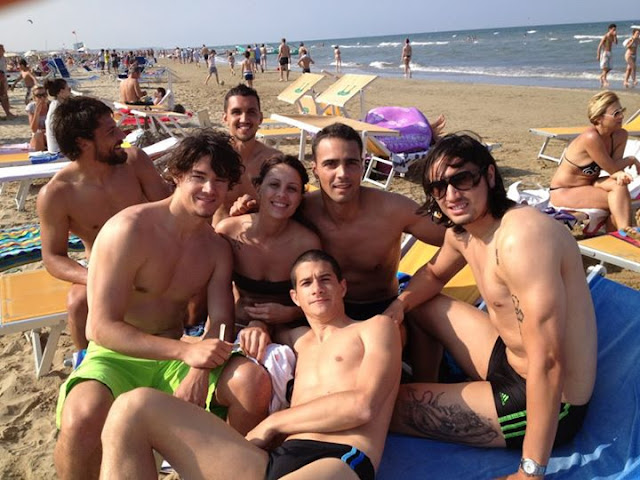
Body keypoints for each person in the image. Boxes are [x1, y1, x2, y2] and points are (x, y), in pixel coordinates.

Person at [54, 129, 272, 480]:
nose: (210, 189)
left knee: (252, 382)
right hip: (118, 354)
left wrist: (199, 369)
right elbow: (100, 328)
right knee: (81, 416)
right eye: (199, 177)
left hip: (177, 355)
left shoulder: (215, 248)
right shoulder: (129, 230)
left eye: (220, 181)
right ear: (176, 175)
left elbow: (220, 320)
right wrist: (186, 352)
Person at [384, 133, 597, 479]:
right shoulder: (464, 231)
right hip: (508, 358)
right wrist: (397, 307)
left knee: (382, 407)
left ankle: (438, 395)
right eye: (439, 187)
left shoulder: (522, 239)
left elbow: (548, 361)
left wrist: (530, 472)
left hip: (549, 398)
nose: (451, 195)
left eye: (462, 179)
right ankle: (432, 383)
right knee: (420, 304)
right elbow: (434, 275)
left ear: (490, 176)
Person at [100, 249, 402, 480]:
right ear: (295, 297)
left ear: (342, 287)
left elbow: (361, 406)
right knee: (132, 407)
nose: (317, 288)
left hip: (338, 457)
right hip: (274, 459)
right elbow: (239, 332)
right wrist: (259, 325)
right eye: (307, 283)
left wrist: (272, 423)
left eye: (325, 279)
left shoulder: (375, 328)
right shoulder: (296, 339)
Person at [233, 123, 445, 320]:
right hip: (320, 311)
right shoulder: (300, 207)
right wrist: (243, 211)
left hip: (383, 307)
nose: (342, 174)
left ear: (362, 166)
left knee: (433, 313)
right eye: (331, 164)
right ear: (315, 169)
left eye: (351, 163)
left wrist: (410, 295)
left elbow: (454, 238)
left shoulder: (393, 209)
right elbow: (260, 228)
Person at [36, 96, 171, 352]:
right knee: (77, 302)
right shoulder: (57, 194)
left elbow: (171, 210)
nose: (122, 135)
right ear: (83, 142)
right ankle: (85, 362)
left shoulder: (135, 162)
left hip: (152, 256)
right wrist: (94, 278)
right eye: (111, 132)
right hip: (101, 265)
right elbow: (53, 257)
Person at [216, 155, 322, 345]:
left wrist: (291, 313)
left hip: (287, 328)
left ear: (300, 197)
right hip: (236, 321)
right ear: (258, 187)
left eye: (291, 189)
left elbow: (321, 296)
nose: (282, 194)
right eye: (274, 185)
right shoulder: (229, 231)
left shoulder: (306, 243)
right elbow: (214, 291)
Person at [549, 91, 640, 233]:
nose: (621, 116)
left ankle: (618, 234)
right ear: (599, 118)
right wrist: (629, 160)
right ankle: (623, 232)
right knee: (618, 200)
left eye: (621, 111)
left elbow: (614, 168)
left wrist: (632, 160)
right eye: (616, 113)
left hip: (590, 184)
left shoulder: (620, 135)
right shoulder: (591, 138)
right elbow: (613, 170)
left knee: (619, 188)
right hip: (565, 191)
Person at [213, 84, 281, 226]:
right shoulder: (212, 158)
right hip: (214, 236)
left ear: (260, 118)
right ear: (225, 118)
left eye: (251, 112)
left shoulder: (275, 161)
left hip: (258, 237)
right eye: (236, 112)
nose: (244, 119)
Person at [43, 78, 71, 153]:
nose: (70, 91)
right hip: (58, 150)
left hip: (56, 147)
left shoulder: (56, 104)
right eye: (68, 89)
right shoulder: (58, 107)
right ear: (61, 92)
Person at [25, 85, 48, 151]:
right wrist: (37, 112)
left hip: (48, 133)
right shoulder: (31, 107)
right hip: (38, 135)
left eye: (44, 95)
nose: (42, 98)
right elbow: (34, 129)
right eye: (39, 95)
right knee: (39, 134)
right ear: (34, 97)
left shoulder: (51, 105)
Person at [597, 24, 618, 88]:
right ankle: (604, 80)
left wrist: (615, 36)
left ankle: (601, 77)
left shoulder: (612, 36)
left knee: (610, 68)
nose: (614, 31)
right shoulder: (606, 36)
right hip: (605, 53)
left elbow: (616, 43)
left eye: (615, 30)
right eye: (613, 30)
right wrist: (598, 55)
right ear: (609, 29)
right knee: (605, 68)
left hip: (610, 53)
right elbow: (599, 46)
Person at [0, 44, 16, 119]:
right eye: (2, 49)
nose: (4, 50)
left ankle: (8, 112)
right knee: (3, 96)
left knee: (5, 96)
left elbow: (4, 68)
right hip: (1, 78)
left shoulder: (3, 58)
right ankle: (8, 113)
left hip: (3, 78)